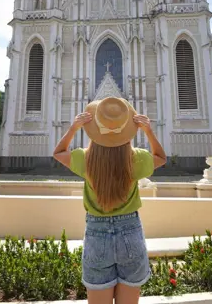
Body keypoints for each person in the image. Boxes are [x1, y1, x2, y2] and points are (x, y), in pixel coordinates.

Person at [53, 97, 166, 304]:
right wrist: (148, 130)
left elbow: (59, 152)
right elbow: (161, 157)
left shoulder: (84, 159)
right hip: (130, 231)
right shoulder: (137, 159)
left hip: (97, 234)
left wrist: (73, 128)